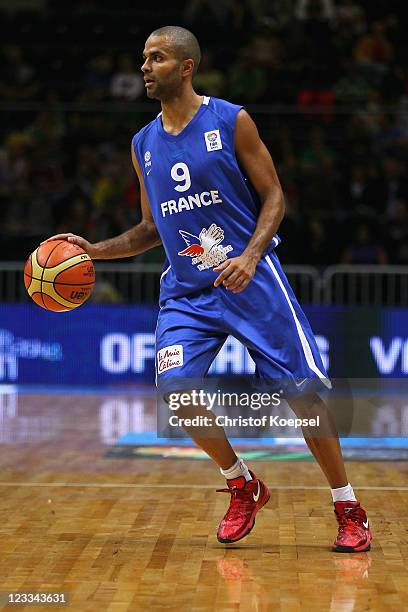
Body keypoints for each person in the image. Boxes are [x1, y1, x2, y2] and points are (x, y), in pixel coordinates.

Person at [44, 26, 372, 552]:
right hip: (187, 293)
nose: (145, 67)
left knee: (304, 397)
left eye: (157, 58)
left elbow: (274, 198)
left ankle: (348, 506)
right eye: (143, 59)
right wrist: (94, 250)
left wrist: (250, 255)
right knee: (175, 392)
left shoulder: (231, 119)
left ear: (186, 66)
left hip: (249, 278)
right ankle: (243, 482)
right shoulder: (142, 144)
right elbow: (151, 229)